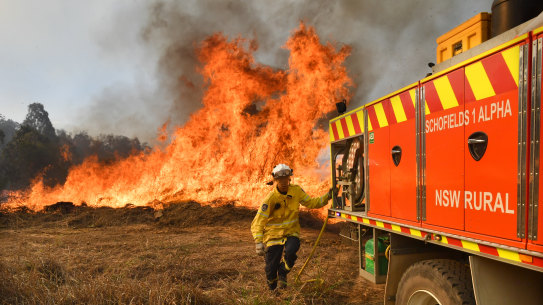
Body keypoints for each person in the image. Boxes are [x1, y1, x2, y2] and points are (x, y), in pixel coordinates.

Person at [251, 163, 332, 290]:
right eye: (280, 180)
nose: (283, 182)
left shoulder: (296, 191)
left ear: (289, 178)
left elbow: (311, 202)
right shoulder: (271, 199)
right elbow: (258, 221)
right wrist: (258, 242)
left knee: (291, 250)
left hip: (291, 233)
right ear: (275, 180)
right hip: (273, 236)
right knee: (271, 269)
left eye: (286, 179)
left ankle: (283, 271)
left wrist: (328, 196)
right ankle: (273, 289)